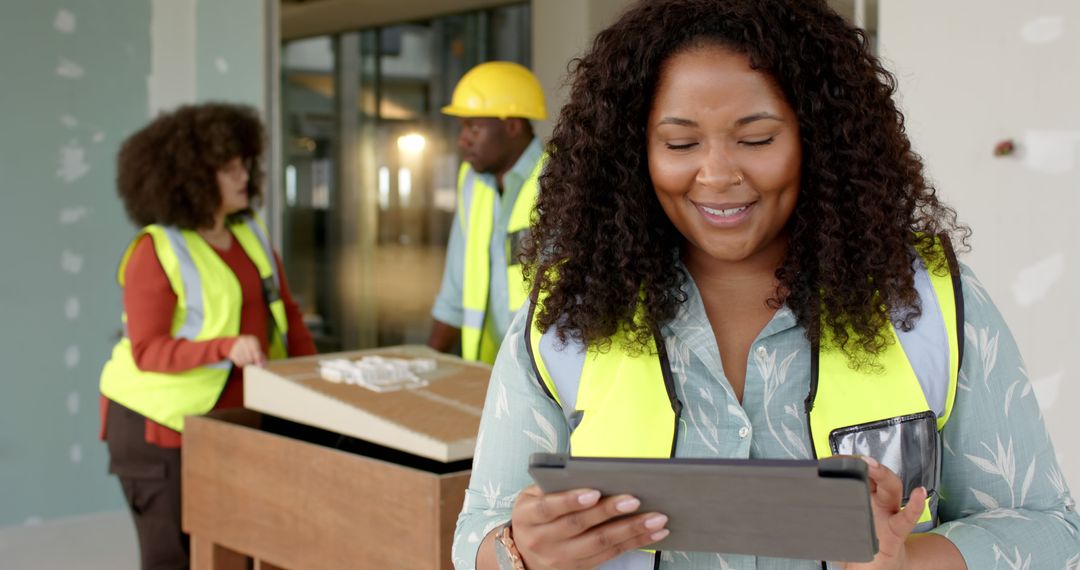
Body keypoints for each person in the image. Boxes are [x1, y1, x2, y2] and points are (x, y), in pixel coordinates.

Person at [453, 1, 1080, 569]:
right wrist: (519, 551)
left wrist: (909, 562)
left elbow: (1051, 530)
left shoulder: (929, 304)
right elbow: (478, 529)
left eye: (757, 138)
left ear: (819, 138)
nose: (717, 175)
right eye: (679, 142)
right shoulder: (566, 315)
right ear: (633, 151)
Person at [98, 103, 317, 570]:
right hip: (158, 427)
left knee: (236, 552)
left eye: (244, 163)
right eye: (228, 168)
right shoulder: (155, 249)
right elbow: (147, 350)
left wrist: (315, 377)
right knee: (173, 558)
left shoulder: (251, 234)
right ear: (192, 177)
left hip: (231, 422)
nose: (244, 176)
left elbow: (287, 314)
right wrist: (226, 347)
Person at [428, 61, 548, 364]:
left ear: (512, 125)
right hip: (486, 373)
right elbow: (454, 292)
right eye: (462, 128)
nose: (462, 139)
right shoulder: (472, 184)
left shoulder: (559, 182)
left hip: (545, 380)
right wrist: (425, 364)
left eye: (474, 127)